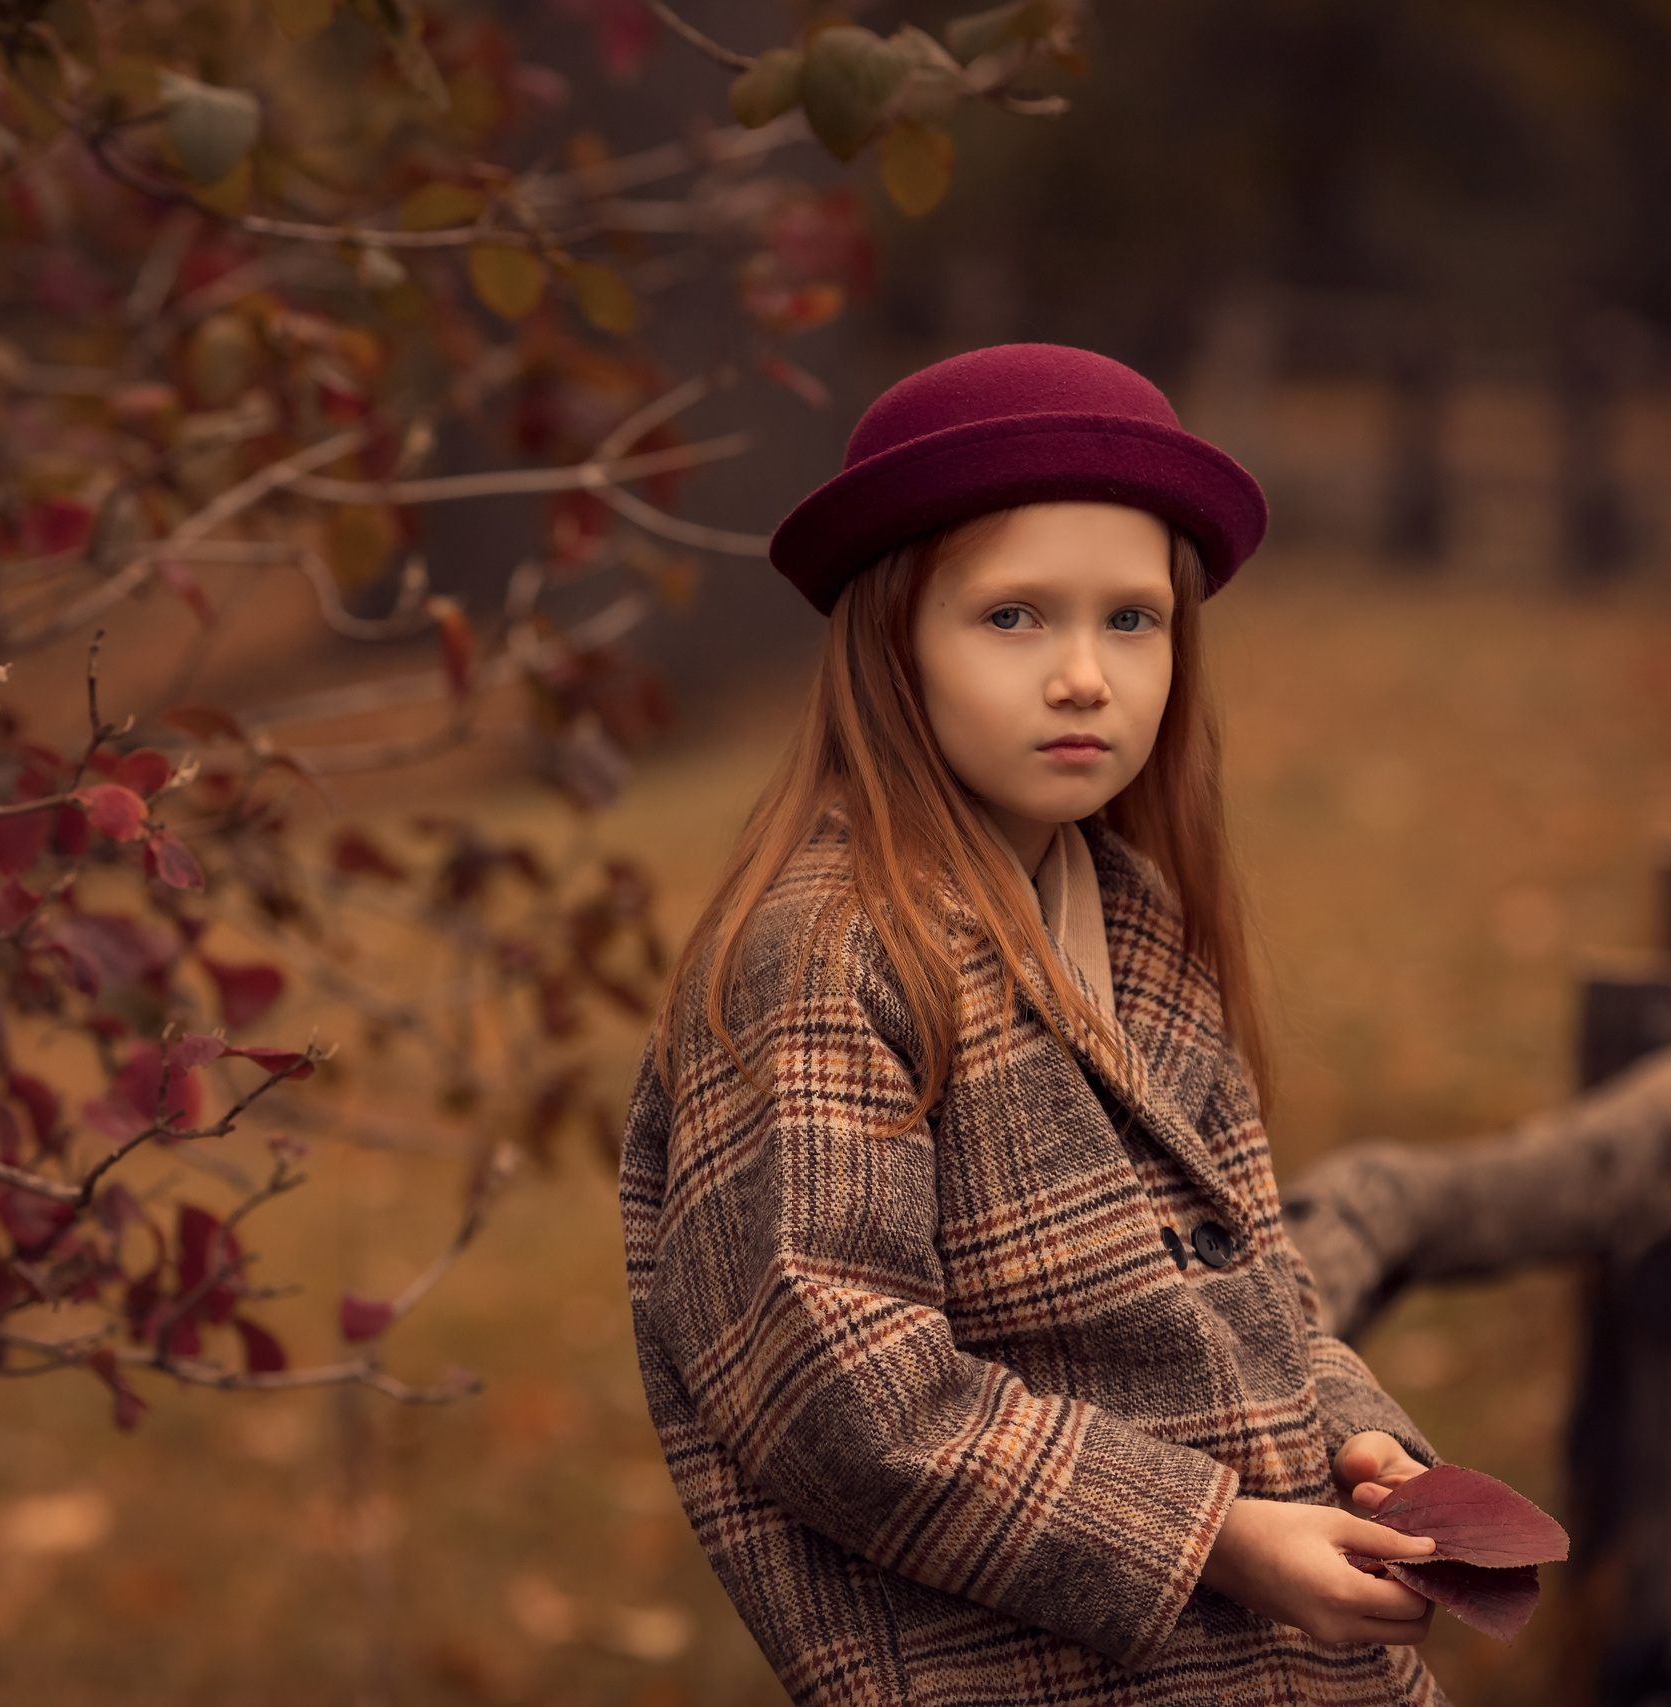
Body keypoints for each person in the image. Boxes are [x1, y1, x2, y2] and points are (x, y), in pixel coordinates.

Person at [618, 343, 1452, 1704]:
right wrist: (1216, 1541)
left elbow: (1260, 1292)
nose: (1085, 676)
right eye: (1015, 618)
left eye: (1133, 620)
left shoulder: (1134, 921)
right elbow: (837, 1391)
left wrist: (1364, 1444)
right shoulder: (827, 952)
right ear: (892, 641)